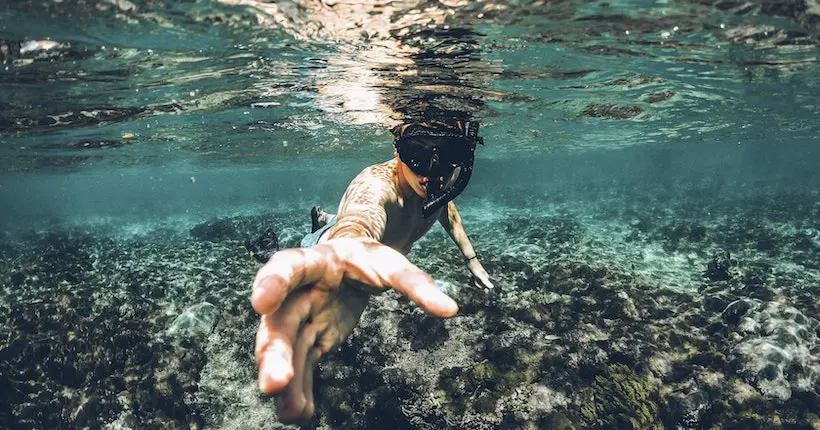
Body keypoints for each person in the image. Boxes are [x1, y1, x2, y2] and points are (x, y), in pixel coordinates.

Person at [250, 119, 494, 423]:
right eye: (417, 151)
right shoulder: (377, 184)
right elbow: (361, 217)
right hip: (330, 251)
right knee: (294, 266)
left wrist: (471, 259)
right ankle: (293, 240)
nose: (433, 170)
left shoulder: (436, 186)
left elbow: (444, 207)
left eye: (450, 152)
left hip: (367, 259)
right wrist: (347, 244)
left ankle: (325, 219)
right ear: (397, 147)